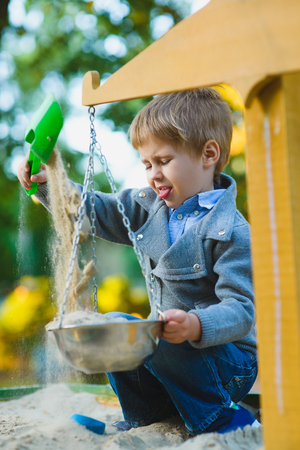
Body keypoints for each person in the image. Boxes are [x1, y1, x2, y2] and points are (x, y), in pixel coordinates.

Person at [18, 88, 259, 435]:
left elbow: (240, 309)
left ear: (208, 154)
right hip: (168, 355)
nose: (153, 174)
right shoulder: (147, 207)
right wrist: (49, 186)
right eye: (147, 164)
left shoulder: (230, 230)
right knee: (114, 325)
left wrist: (194, 325)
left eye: (163, 161)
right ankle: (144, 414)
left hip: (225, 363)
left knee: (160, 335)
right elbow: (94, 209)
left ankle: (219, 415)